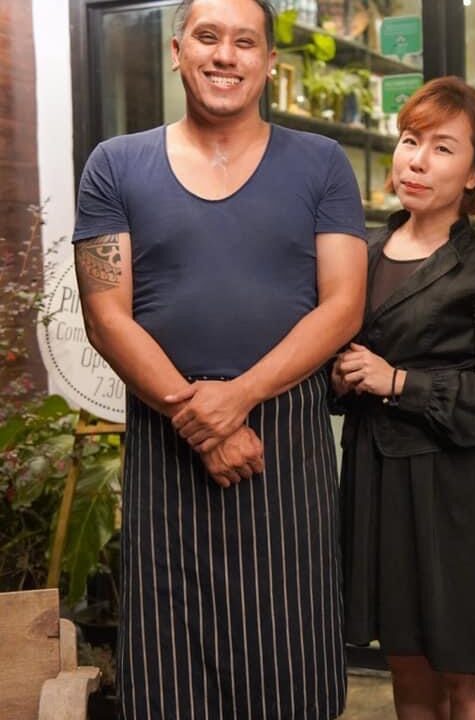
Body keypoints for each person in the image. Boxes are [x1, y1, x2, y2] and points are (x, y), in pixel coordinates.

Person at [73, 0, 368, 717]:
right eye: (207, 37)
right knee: (170, 667)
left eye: (245, 42)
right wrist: (198, 418)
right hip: (166, 434)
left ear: (269, 62)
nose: (225, 55)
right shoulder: (116, 164)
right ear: (177, 51)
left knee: (292, 659)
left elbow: (342, 307)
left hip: (285, 440)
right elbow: (106, 317)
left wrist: (237, 399)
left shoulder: (321, 163)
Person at [332, 76, 475, 720]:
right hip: (376, 482)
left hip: (453, 489)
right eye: (410, 140)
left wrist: (399, 381)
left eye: (443, 148)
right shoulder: (360, 255)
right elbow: (334, 361)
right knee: (406, 668)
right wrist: (339, 378)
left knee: (465, 673)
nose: (418, 161)